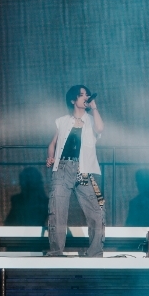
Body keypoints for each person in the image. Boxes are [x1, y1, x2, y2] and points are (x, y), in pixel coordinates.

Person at [45, 86, 105, 257]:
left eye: (87, 94)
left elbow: (100, 129)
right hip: (62, 169)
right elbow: (52, 144)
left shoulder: (93, 120)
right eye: (81, 95)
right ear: (73, 100)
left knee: (97, 210)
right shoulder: (62, 121)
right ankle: (56, 252)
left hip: (84, 171)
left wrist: (94, 108)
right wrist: (51, 157)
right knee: (57, 210)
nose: (85, 97)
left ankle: (94, 252)